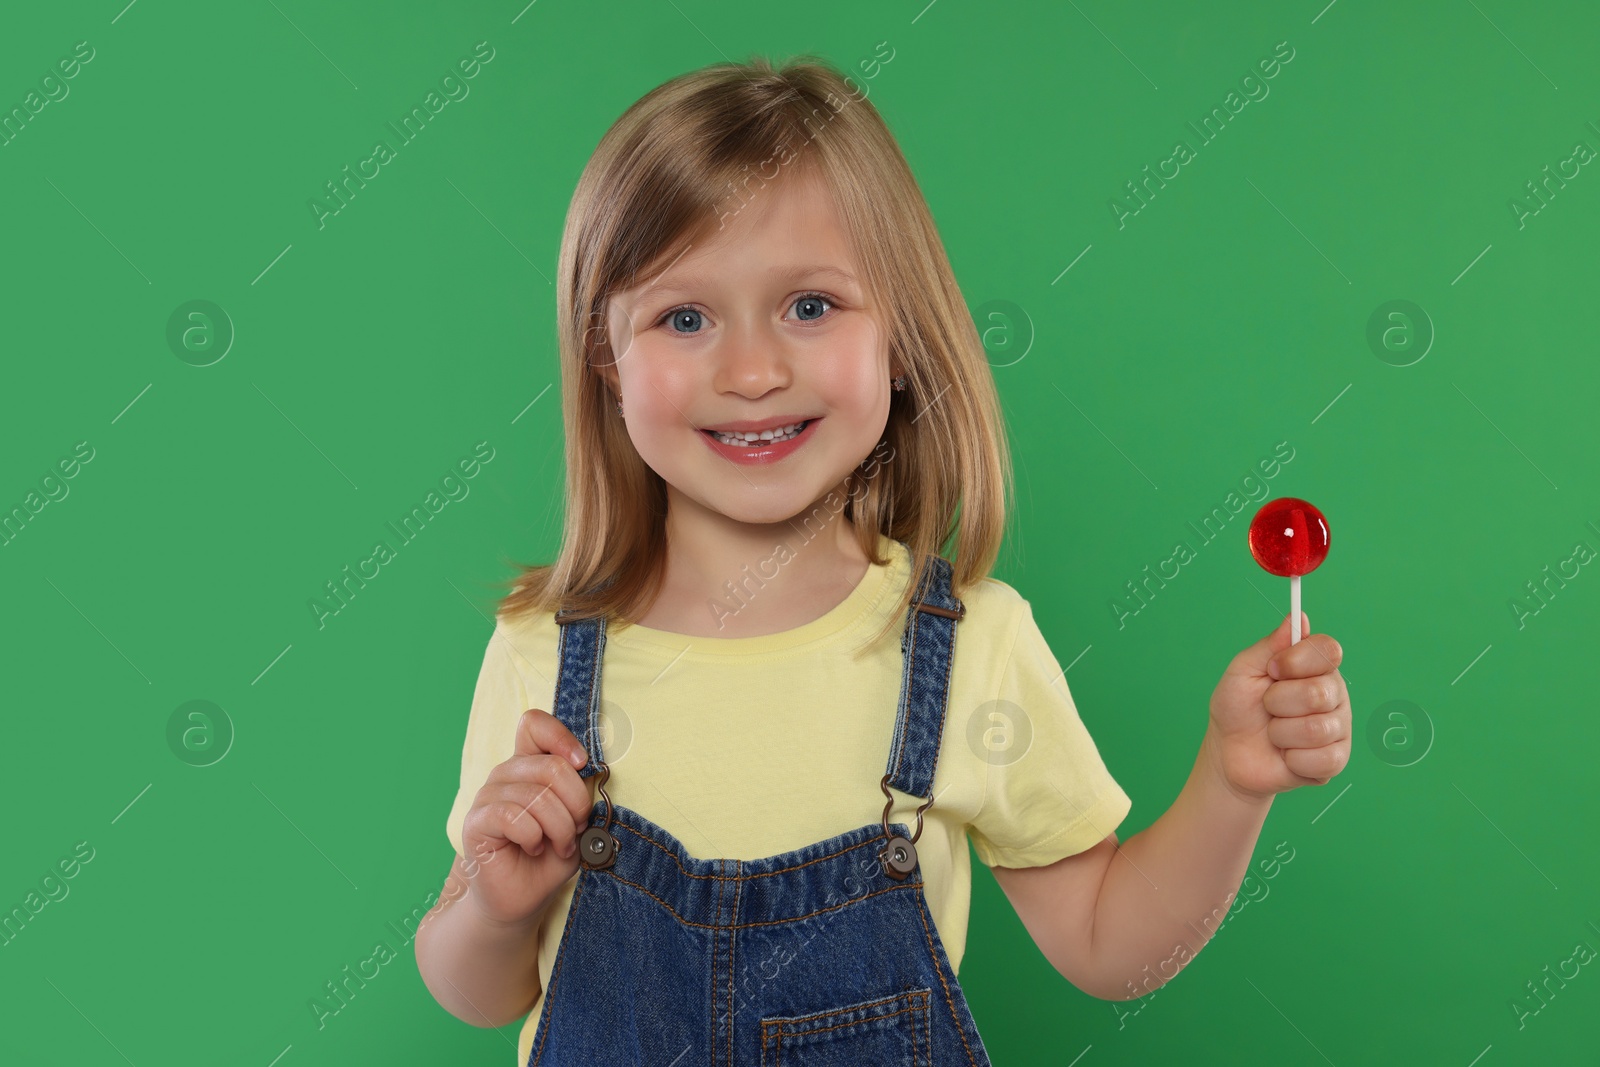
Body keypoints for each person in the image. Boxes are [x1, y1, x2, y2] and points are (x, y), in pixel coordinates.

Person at [414, 54, 1351, 1065]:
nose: (754, 370)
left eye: (809, 306)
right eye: (684, 317)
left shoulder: (971, 650)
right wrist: (495, 906)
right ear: (606, 358)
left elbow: (1107, 944)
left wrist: (1232, 779)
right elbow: (477, 987)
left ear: (900, 336)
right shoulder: (541, 658)